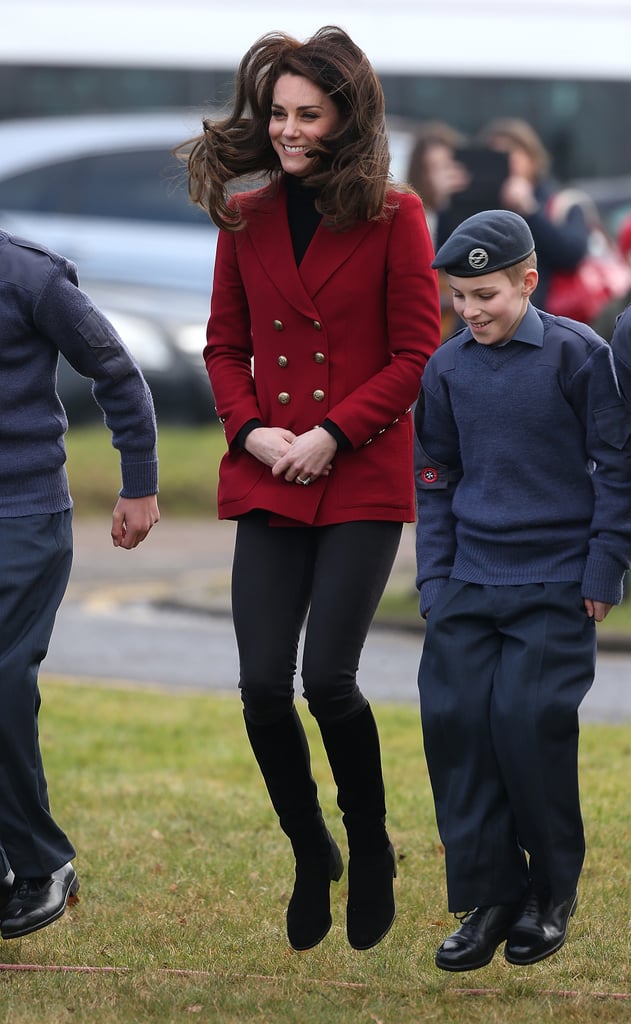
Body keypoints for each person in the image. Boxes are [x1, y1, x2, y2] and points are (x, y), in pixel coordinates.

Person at [179, 25, 440, 951]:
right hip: (268, 469)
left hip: (360, 471)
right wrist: (254, 430)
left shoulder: (397, 214)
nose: (288, 131)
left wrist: (331, 434)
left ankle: (369, 845)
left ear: (346, 118)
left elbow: (416, 353)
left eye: (307, 115)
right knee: (259, 687)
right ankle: (309, 849)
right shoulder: (245, 216)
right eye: (278, 114)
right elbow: (223, 344)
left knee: (328, 680)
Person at [414, 210, 631, 972]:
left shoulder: (579, 356)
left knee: (526, 722)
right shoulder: (444, 369)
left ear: (526, 282)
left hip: (557, 583)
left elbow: (613, 466)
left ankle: (550, 891)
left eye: (486, 296)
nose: (470, 311)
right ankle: (489, 896)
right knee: (455, 724)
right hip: (468, 582)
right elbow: (435, 480)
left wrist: (604, 566)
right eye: (459, 298)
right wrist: (434, 582)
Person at [0, 230, 160, 940]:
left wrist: (141, 484)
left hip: (23, 515)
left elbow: (116, 372)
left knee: (2, 683)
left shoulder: (30, 278)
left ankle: (42, 865)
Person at [476, 118, 589, 310]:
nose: (504, 163)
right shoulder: (479, 205)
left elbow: (572, 255)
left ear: (532, 158)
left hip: (544, 317)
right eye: (495, 156)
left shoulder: (559, 202)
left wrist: (530, 210)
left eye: (510, 154)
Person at [406, 121, 470, 341]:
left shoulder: (466, 210)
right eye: (433, 168)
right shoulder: (414, 214)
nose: (441, 176)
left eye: (447, 166)